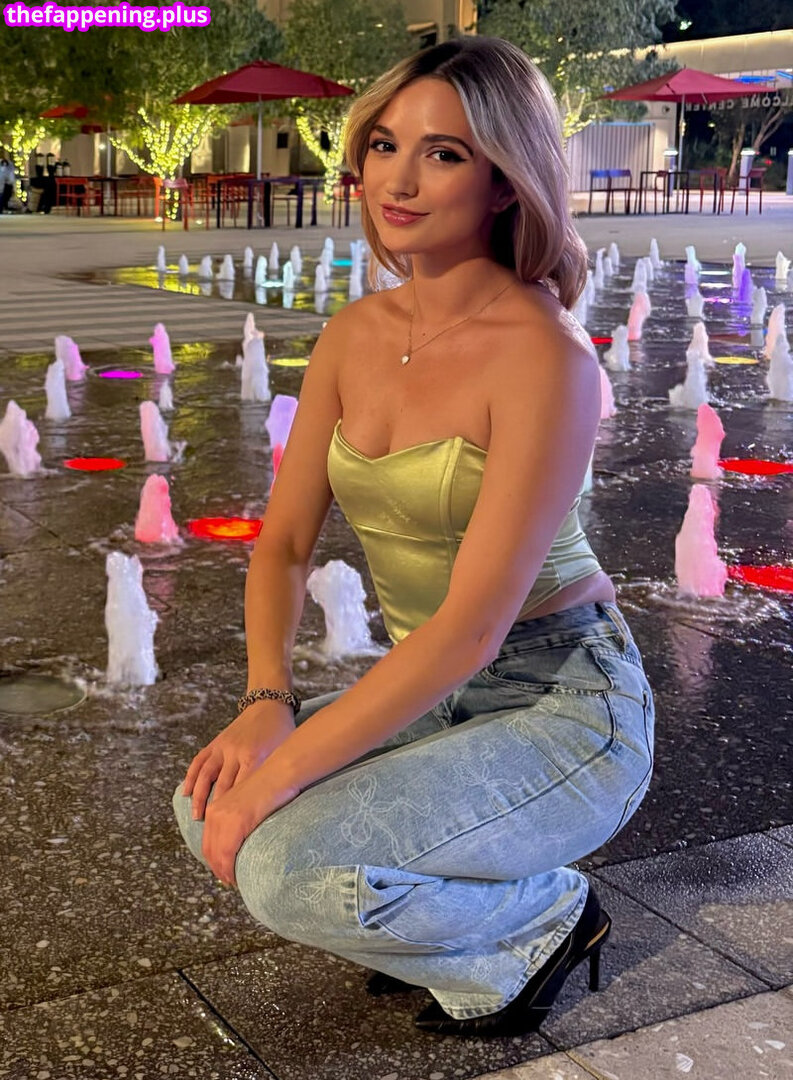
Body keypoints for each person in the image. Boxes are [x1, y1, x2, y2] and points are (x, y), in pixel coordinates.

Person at [172, 35, 654, 1038]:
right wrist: (267, 703)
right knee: (206, 802)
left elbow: (471, 631)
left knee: (280, 860)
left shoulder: (544, 358)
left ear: (503, 181)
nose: (397, 180)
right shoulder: (355, 334)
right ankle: (453, 931)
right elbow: (284, 544)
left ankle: (542, 919)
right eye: (385, 145)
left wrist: (285, 775)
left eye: (443, 154)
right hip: (436, 690)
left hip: (564, 703)